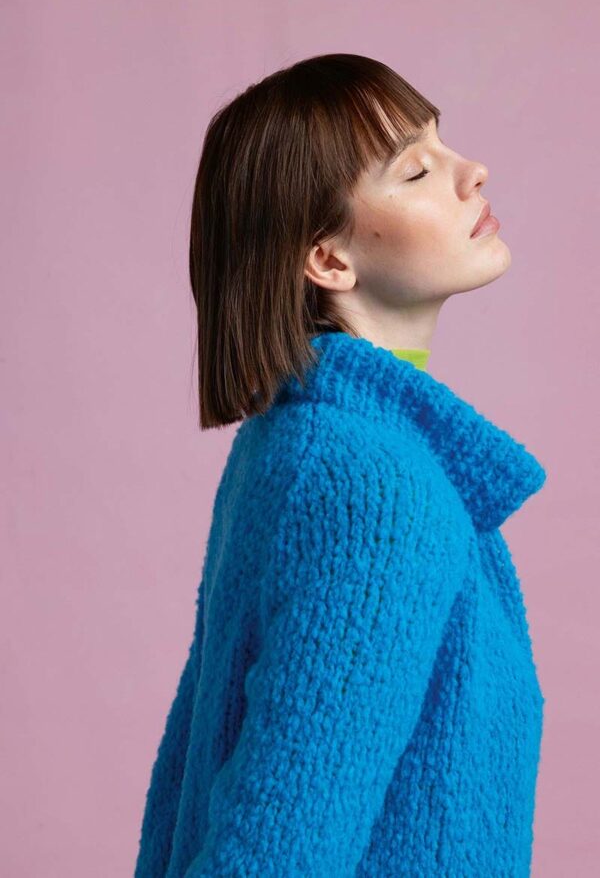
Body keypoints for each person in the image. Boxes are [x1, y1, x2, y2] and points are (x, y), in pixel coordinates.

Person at [134, 53, 547, 877]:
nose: (471, 172)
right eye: (416, 170)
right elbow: (279, 846)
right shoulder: (373, 489)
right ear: (327, 259)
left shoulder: (300, 443)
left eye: (441, 141)